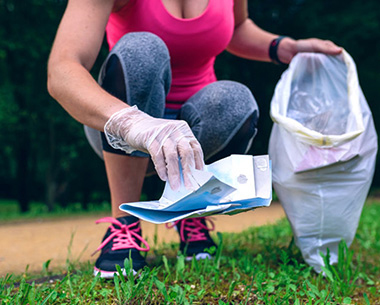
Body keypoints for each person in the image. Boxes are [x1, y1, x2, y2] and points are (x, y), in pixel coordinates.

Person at [47, 0, 342, 278]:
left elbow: (236, 28)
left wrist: (282, 47)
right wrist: (133, 123)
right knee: (142, 48)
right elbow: (63, 69)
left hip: (197, 132)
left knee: (236, 101)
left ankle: (192, 209)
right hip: (122, 127)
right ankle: (123, 227)